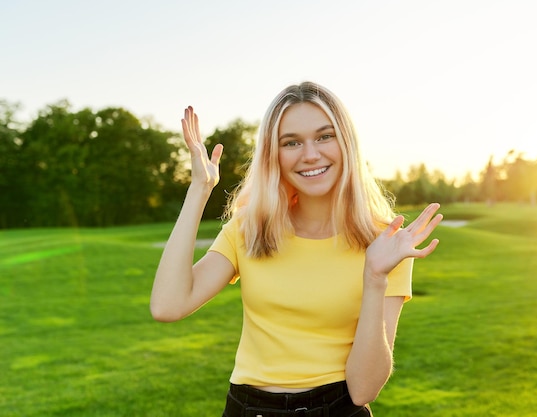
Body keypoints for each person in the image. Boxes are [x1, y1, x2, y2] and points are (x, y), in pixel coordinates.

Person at [150, 81, 443, 416]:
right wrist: (200, 189)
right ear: (274, 154)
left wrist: (375, 276)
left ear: (346, 143)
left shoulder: (386, 243)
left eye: (324, 136)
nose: (310, 155)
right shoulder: (251, 229)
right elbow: (167, 306)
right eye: (291, 142)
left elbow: (363, 390)